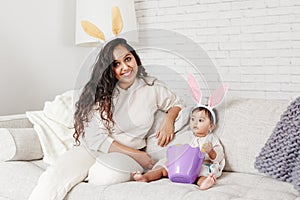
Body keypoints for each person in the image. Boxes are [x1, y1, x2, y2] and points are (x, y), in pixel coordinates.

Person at [28, 38, 185, 200]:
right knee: (53, 176)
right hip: (92, 150)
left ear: (135, 58)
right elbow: (95, 138)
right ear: (109, 69)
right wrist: (139, 156)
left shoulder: (152, 87)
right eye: (116, 64)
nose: (125, 67)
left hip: (125, 157)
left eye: (128, 59)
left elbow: (177, 103)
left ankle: (89, 173)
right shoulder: (99, 92)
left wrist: (169, 121)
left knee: (102, 175)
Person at [133, 106, 225, 190]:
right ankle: (145, 177)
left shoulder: (211, 138)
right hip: (181, 165)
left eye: (200, 120)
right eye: (192, 119)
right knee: (163, 168)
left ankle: (204, 183)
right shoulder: (186, 136)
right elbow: (176, 149)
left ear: (211, 126)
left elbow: (219, 156)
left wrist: (211, 151)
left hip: (200, 166)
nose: (195, 123)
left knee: (201, 174)